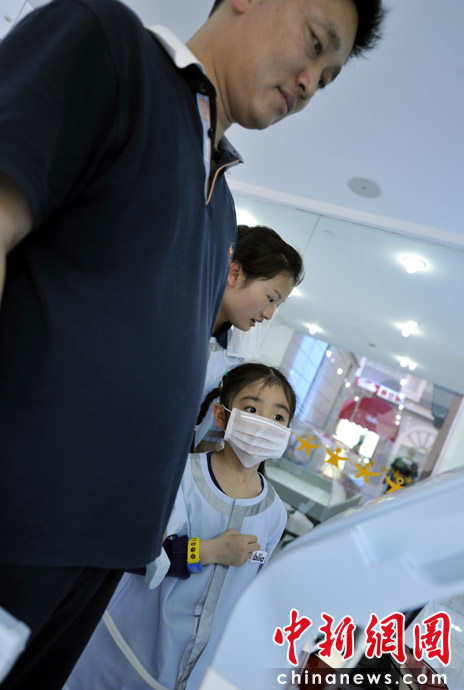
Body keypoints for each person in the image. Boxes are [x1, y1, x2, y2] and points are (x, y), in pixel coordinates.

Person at [0, 0, 385, 687]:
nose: (310, 83)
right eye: (314, 43)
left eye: (327, 78)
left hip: (106, 550)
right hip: (22, 515)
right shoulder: (112, 52)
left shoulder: (221, 208)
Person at [65, 363, 296, 690]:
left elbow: (246, 596)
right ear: (221, 416)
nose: (264, 424)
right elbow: (129, 552)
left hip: (191, 673)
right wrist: (207, 551)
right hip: (122, 650)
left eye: (278, 417)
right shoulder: (179, 475)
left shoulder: (274, 513)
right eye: (251, 409)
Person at [195, 223, 303, 449]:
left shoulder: (236, 356)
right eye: (271, 298)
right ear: (235, 274)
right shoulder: (174, 320)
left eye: (277, 305)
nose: (269, 314)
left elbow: (206, 441)